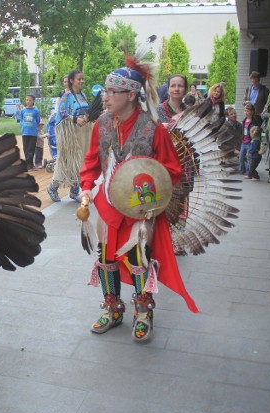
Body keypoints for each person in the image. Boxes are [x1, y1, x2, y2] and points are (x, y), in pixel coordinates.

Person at [78, 59, 198, 341]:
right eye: (105, 91)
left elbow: (172, 170)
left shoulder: (154, 128)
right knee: (106, 257)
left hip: (140, 208)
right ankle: (113, 309)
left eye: (111, 92)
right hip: (108, 204)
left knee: (138, 259)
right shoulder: (102, 124)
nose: (104, 97)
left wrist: (149, 195)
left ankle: (143, 313)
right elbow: (91, 161)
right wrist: (85, 188)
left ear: (131, 95)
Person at [47, 69, 90, 202]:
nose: (81, 81)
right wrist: (75, 119)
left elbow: (87, 110)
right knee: (66, 160)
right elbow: (61, 113)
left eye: (82, 79)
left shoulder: (83, 95)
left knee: (80, 160)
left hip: (82, 131)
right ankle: (53, 187)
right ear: (71, 81)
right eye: (79, 79)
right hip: (69, 132)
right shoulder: (66, 96)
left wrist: (87, 118)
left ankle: (74, 190)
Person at [239, 103, 262, 176]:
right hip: (243, 142)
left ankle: (249, 172)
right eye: (245, 111)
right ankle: (242, 170)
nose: (246, 112)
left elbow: (256, 132)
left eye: (248, 111)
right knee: (241, 157)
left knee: (249, 158)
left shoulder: (254, 122)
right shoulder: (244, 121)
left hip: (250, 142)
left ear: (252, 112)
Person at [19, 94, 41, 170]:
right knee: (26, 149)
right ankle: (28, 164)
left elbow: (38, 120)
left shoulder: (36, 111)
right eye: (27, 100)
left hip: (33, 133)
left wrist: (35, 127)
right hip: (25, 132)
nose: (28, 101)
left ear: (33, 101)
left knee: (31, 149)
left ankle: (29, 164)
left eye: (30, 100)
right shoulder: (23, 110)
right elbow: (21, 119)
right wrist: (22, 126)